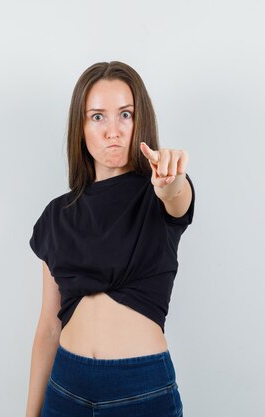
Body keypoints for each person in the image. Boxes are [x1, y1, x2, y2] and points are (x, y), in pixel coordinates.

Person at [25, 61, 195, 417]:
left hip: (140, 388)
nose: (112, 131)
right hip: (66, 387)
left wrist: (172, 179)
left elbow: (177, 198)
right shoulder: (56, 215)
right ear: (81, 127)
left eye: (125, 115)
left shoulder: (156, 194)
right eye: (97, 117)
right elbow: (49, 327)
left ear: (140, 121)